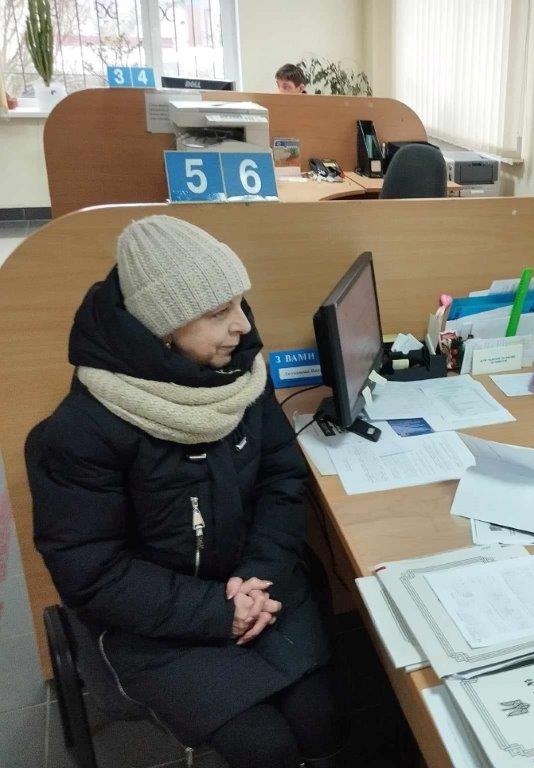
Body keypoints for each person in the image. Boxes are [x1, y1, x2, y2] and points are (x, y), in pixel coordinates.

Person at [28, 216, 347, 768]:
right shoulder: (79, 432)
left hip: (257, 580)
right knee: (263, 746)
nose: (242, 325)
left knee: (324, 719)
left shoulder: (241, 377)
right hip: (157, 622)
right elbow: (92, 571)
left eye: (240, 303)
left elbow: (281, 478)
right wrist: (217, 612)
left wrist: (259, 574)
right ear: (164, 328)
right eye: (218, 312)